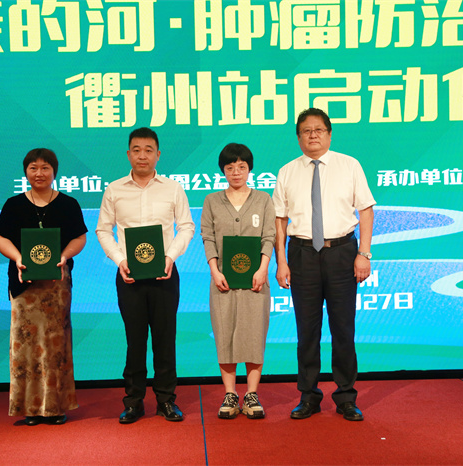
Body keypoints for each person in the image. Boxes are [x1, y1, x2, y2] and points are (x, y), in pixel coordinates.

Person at [272, 108, 375, 421]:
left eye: (318, 129)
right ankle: (309, 396)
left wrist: (364, 253)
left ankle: (346, 396)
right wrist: (281, 262)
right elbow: (279, 220)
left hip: (342, 252)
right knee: (307, 330)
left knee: (343, 328)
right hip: (302, 254)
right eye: (306, 130)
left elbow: (366, 210)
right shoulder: (287, 171)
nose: (313, 135)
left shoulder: (349, 165)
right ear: (298, 137)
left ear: (329, 134)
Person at [96, 127, 195, 424]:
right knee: (135, 341)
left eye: (148, 150)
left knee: (165, 340)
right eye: (137, 150)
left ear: (158, 154)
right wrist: (120, 259)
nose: (142, 155)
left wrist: (170, 256)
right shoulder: (114, 190)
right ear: (128, 154)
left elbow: (186, 226)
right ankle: (133, 402)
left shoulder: (173, 188)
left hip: (165, 274)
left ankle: (166, 400)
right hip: (129, 276)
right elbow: (103, 229)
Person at [0, 148, 88, 426]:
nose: (39, 173)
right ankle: (30, 409)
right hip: (24, 285)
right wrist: (18, 258)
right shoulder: (14, 204)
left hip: (57, 286)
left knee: (56, 345)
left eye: (45, 167)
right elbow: (0, 237)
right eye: (33, 168)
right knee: (25, 346)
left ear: (54, 171)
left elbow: (79, 238)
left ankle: (55, 407)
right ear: (25, 172)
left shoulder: (68, 204)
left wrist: (64, 256)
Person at [200, 143, 276, 419]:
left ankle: (251, 394)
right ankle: (230, 394)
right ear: (223, 170)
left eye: (241, 167)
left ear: (249, 169)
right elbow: (208, 237)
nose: (236, 172)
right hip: (223, 281)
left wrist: (263, 269)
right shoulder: (211, 201)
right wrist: (215, 270)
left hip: (256, 281)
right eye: (230, 167)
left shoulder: (263, 199)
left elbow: (269, 236)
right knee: (225, 336)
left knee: (254, 335)